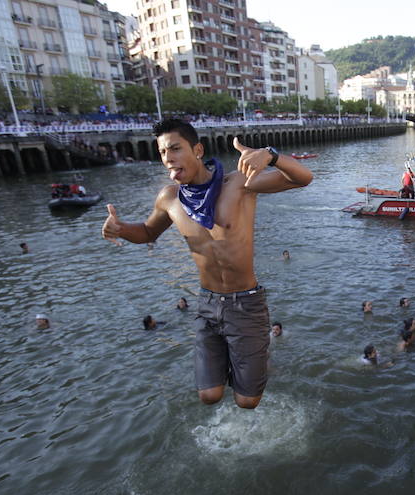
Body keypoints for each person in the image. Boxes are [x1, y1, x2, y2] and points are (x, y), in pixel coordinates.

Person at [102, 118, 313, 410]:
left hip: (246, 303)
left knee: (247, 401)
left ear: (198, 150)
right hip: (207, 303)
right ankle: (239, 357)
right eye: (163, 152)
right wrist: (121, 229)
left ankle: (253, 355)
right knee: (209, 395)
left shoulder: (239, 183)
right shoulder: (170, 198)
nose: (168, 158)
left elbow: (303, 178)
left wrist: (272, 155)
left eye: (175, 148)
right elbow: (148, 232)